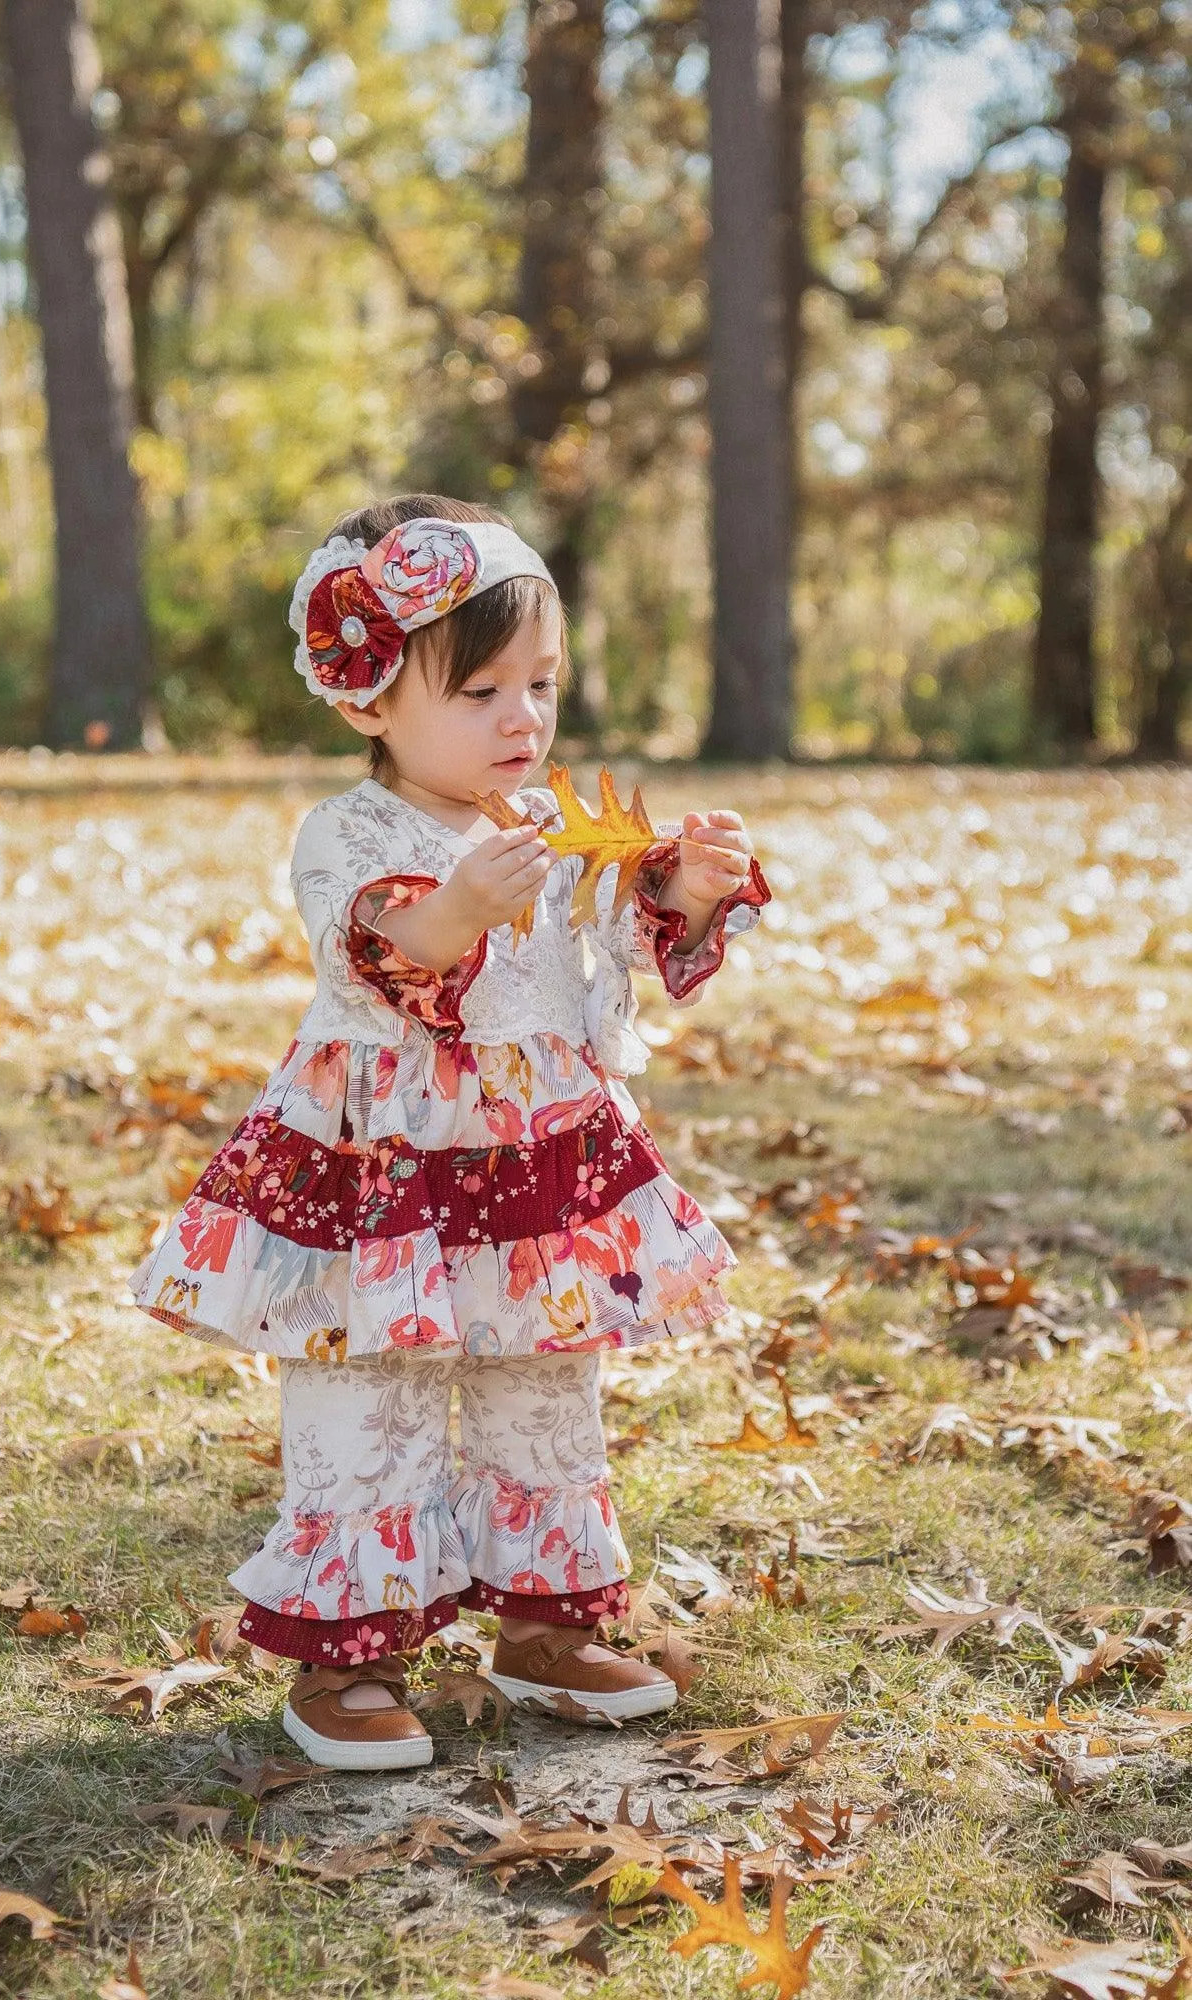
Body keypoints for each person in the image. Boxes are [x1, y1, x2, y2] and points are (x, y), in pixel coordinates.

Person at [128, 494, 770, 1770]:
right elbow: (384, 947)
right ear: (369, 698)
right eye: (480, 689)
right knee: (373, 1386)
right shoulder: (350, 831)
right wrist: (458, 907)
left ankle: (544, 1619)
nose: (521, 718)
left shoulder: (549, 828)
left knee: (545, 1375)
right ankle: (347, 1651)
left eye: (541, 682)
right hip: (387, 1165)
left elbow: (621, 943)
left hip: (534, 1157)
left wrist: (683, 890)